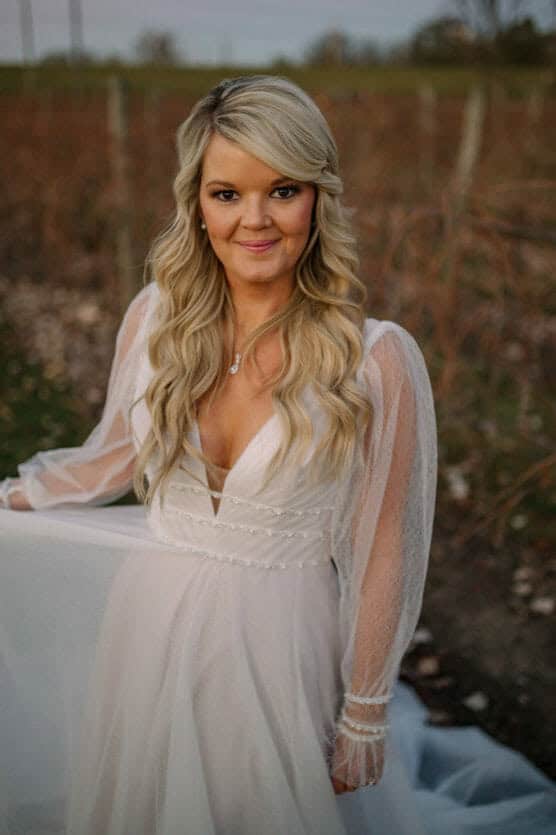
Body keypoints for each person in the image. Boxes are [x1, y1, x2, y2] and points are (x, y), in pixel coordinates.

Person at [1, 75, 554, 835]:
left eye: (282, 190)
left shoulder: (373, 360)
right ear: (196, 203)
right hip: (149, 626)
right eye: (226, 193)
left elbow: (383, 541)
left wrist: (365, 708)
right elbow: (109, 462)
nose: (254, 219)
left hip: (279, 645)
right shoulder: (156, 321)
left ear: (318, 198)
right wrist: (12, 500)